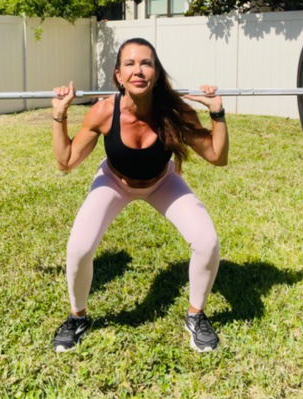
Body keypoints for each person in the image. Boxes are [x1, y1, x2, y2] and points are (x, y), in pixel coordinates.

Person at [51, 38, 228, 353]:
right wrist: (59, 115)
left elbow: (217, 156)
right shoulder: (104, 111)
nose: (138, 70)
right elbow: (66, 162)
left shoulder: (176, 111)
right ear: (118, 75)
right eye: (129, 64)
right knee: (78, 249)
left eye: (146, 63)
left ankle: (196, 315)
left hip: (162, 182)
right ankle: (77, 317)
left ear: (156, 73)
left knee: (207, 242)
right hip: (114, 181)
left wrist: (218, 114)